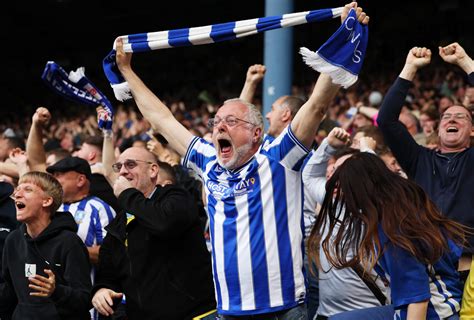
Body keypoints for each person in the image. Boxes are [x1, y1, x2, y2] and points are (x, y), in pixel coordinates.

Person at [112, 3, 369, 317]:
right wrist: (126, 70)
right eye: (217, 122)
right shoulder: (208, 162)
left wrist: (343, 38)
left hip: (284, 310)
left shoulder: (279, 159)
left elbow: (316, 106)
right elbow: (162, 119)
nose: (219, 126)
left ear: (257, 133)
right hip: (230, 311)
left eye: (231, 122)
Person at [308, 152, 465, 320]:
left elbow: (418, 299)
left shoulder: (393, 230)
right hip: (415, 305)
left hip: (434, 313)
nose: (343, 198)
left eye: (346, 189)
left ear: (359, 190)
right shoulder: (400, 208)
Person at [377, 43, 474, 274]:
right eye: (446, 117)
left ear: (472, 130)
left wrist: (465, 62)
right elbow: (386, 120)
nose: (451, 120)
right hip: (426, 268)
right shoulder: (419, 158)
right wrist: (409, 68)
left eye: (460, 117)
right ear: (438, 130)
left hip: (468, 270)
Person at [91, 147, 216, 320]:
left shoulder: (176, 197)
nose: (123, 172)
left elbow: (163, 224)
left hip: (195, 314)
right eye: (119, 167)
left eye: (130, 164)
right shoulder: (120, 222)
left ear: (153, 170)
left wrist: (128, 194)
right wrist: (101, 289)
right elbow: (108, 272)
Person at [303, 128, 389, 320]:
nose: (333, 178)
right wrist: (329, 146)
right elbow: (309, 176)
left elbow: (383, 182)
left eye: (343, 173)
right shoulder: (330, 200)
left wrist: (367, 149)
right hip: (326, 313)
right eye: (333, 171)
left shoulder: (379, 207)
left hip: (367, 313)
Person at [0, 171, 92, 319]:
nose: (17, 194)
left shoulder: (69, 241)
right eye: (17, 189)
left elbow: (85, 299)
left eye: (28, 189)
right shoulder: (13, 240)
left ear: (47, 201)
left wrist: (56, 292)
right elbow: (7, 292)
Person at [45, 157, 116, 266]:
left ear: (80, 180)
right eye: (53, 176)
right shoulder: (50, 207)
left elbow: (110, 252)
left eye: (58, 175)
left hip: (87, 280)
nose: (53, 180)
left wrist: (66, 252)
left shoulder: (99, 208)